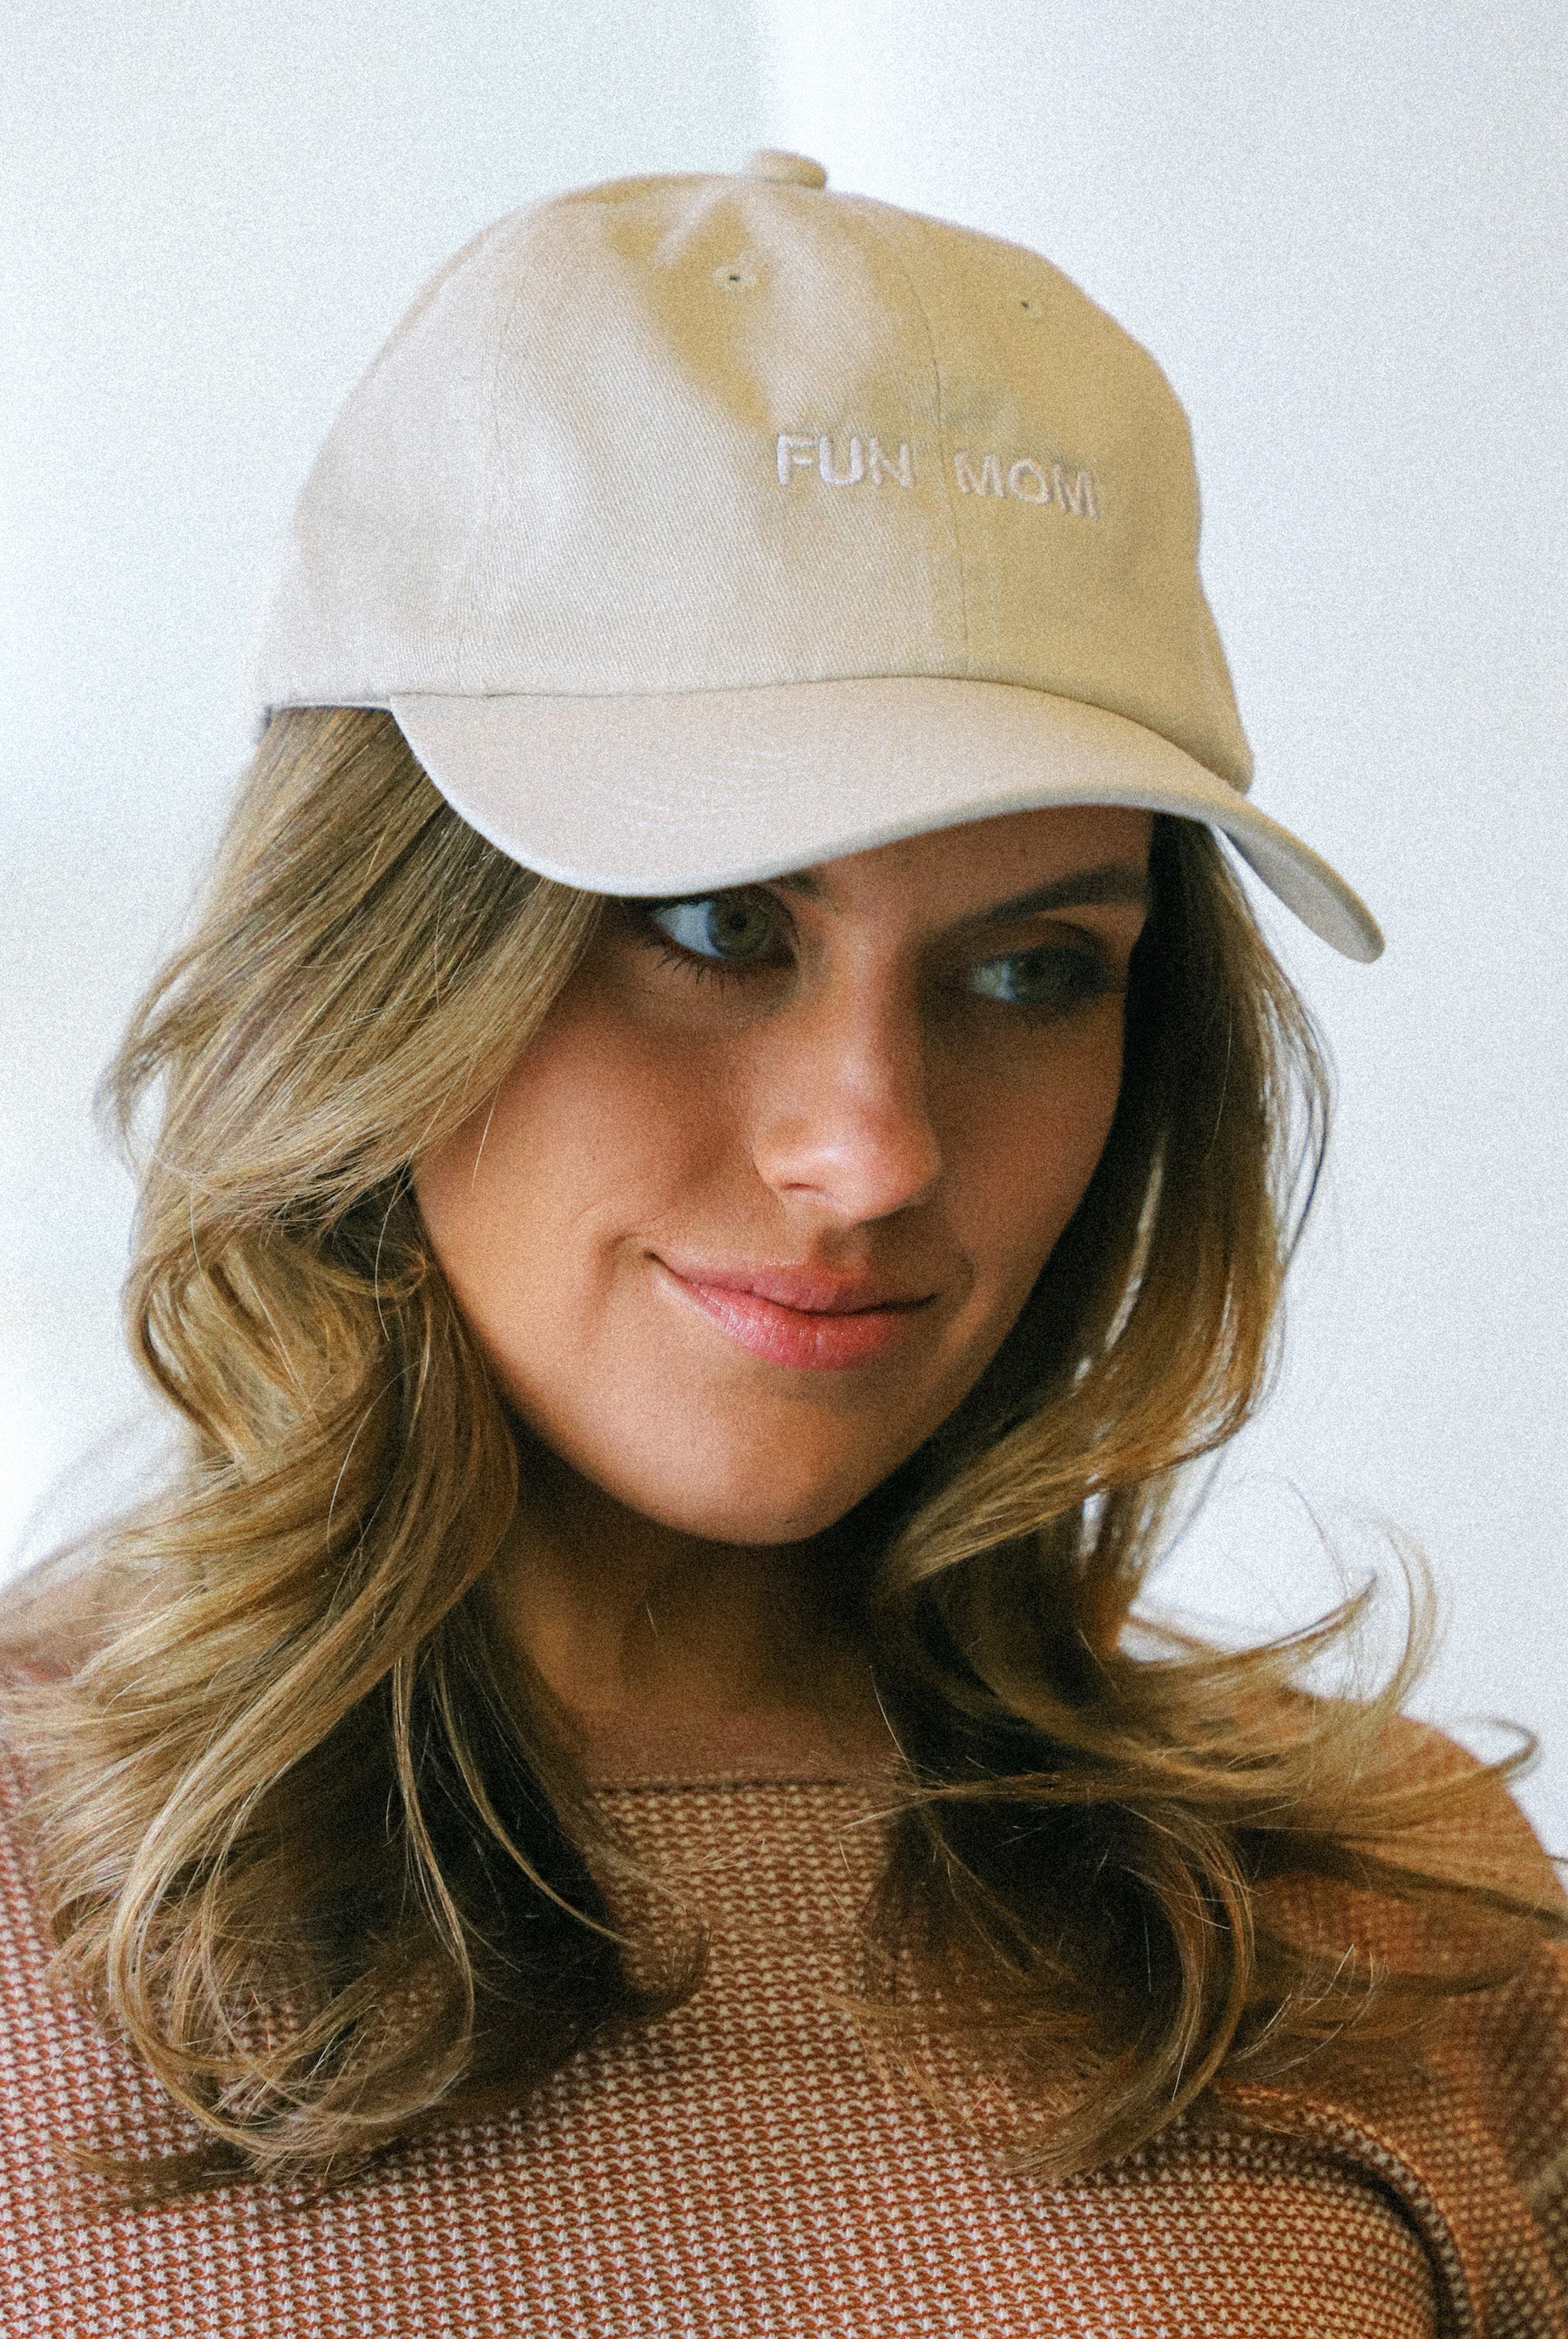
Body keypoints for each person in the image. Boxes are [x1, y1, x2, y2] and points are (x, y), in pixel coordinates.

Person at [0, 148, 1563, 2336]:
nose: (872, 1148)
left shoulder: (1391, 1921)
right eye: (718, 926)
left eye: (1033, 971)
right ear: (378, 957)